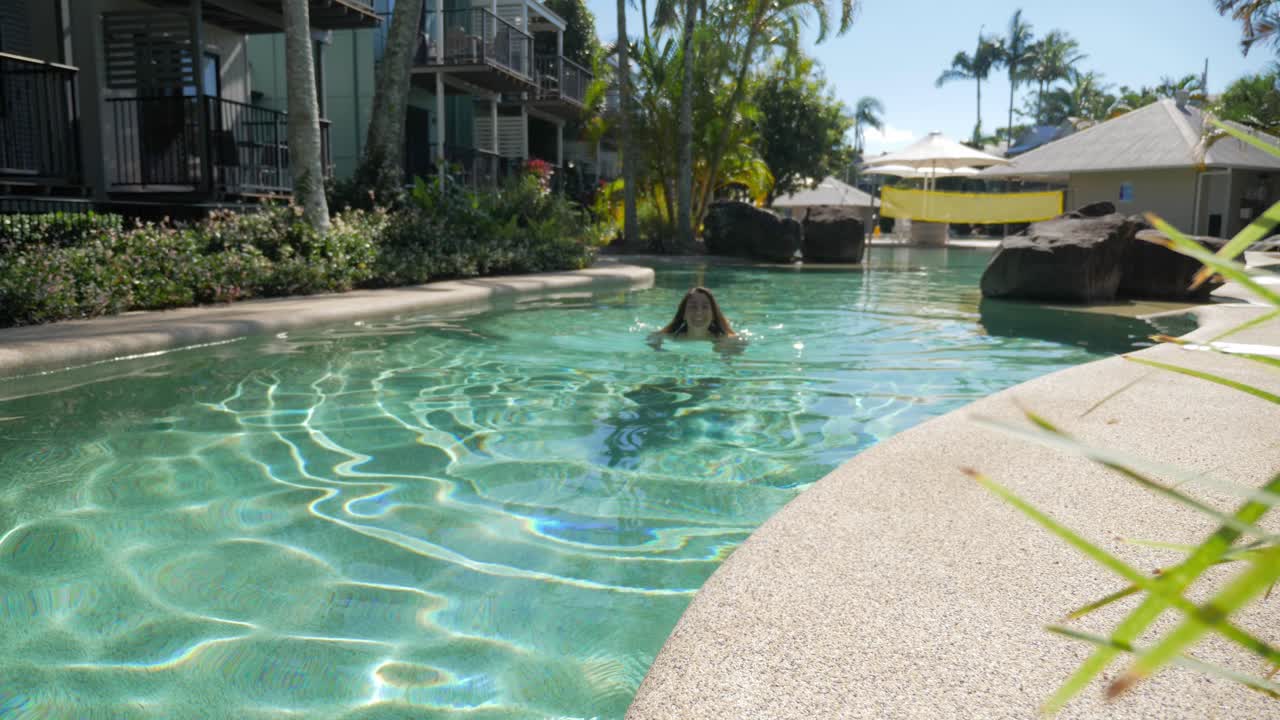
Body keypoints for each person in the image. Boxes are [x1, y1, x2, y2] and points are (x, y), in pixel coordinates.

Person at [657, 287, 736, 340]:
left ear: (713, 315)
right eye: (693, 306)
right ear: (683, 315)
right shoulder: (667, 339)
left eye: (705, 307)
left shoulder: (729, 341)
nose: (698, 312)